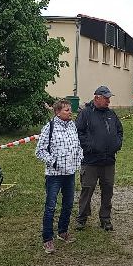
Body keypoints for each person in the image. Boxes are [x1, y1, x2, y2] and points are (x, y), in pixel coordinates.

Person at [35, 99, 83, 253]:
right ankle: (47, 239)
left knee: (68, 204)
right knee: (50, 207)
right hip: (54, 175)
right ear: (57, 112)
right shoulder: (49, 127)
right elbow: (40, 151)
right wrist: (54, 162)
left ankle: (62, 232)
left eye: (70, 109)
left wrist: (79, 158)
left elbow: (78, 145)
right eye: (66, 110)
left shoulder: (72, 126)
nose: (70, 112)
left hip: (70, 174)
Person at [75, 86, 124, 232]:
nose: (108, 101)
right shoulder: (85, 114)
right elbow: (78, 132)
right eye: (106, 98)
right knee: (87, 189)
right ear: (97, 97)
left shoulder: (111, 114)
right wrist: (89, 146)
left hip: (108, 161)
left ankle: (105, 218)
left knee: (108, 190)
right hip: (91, 161)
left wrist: (117, 143)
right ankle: (82, 218)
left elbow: (119, 130)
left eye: (109, 98)